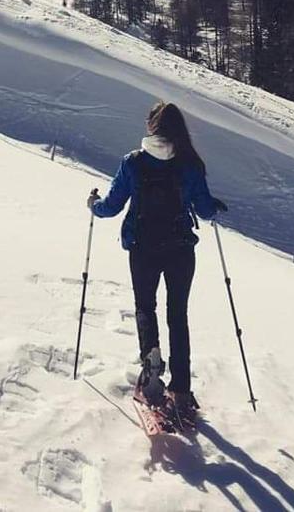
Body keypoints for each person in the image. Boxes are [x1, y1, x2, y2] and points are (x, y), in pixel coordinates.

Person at [87, 101, 218, 416]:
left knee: (146, 307)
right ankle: (182, 388)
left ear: (151, 127)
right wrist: (213, 204)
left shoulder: (133, 163)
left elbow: (112, 206)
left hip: (143, 247)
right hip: (180, 249)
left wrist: (93, 204)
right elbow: (204, 210)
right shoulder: (190, 164)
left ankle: (151, 368)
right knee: (178, 315)